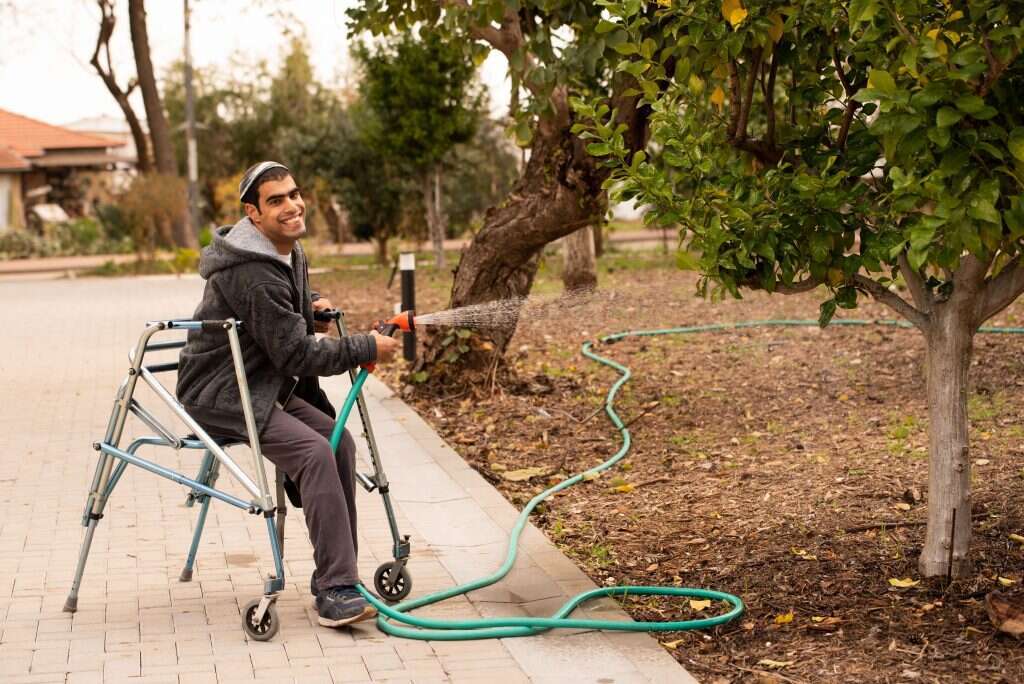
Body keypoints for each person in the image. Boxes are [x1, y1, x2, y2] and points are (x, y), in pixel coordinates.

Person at [176, 161, 399, 628]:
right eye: (276, 200)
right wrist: (364, 347)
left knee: (338, 442)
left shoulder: (285, 250)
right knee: (314, 452)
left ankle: (335, 576)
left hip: (261, 383)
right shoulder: (252, 272)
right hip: (222, 391)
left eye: (294, 194)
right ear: (253, 213)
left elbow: (277, 313)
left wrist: (308, 304)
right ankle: (336, 588)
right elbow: (296, 354)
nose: (292, 206)